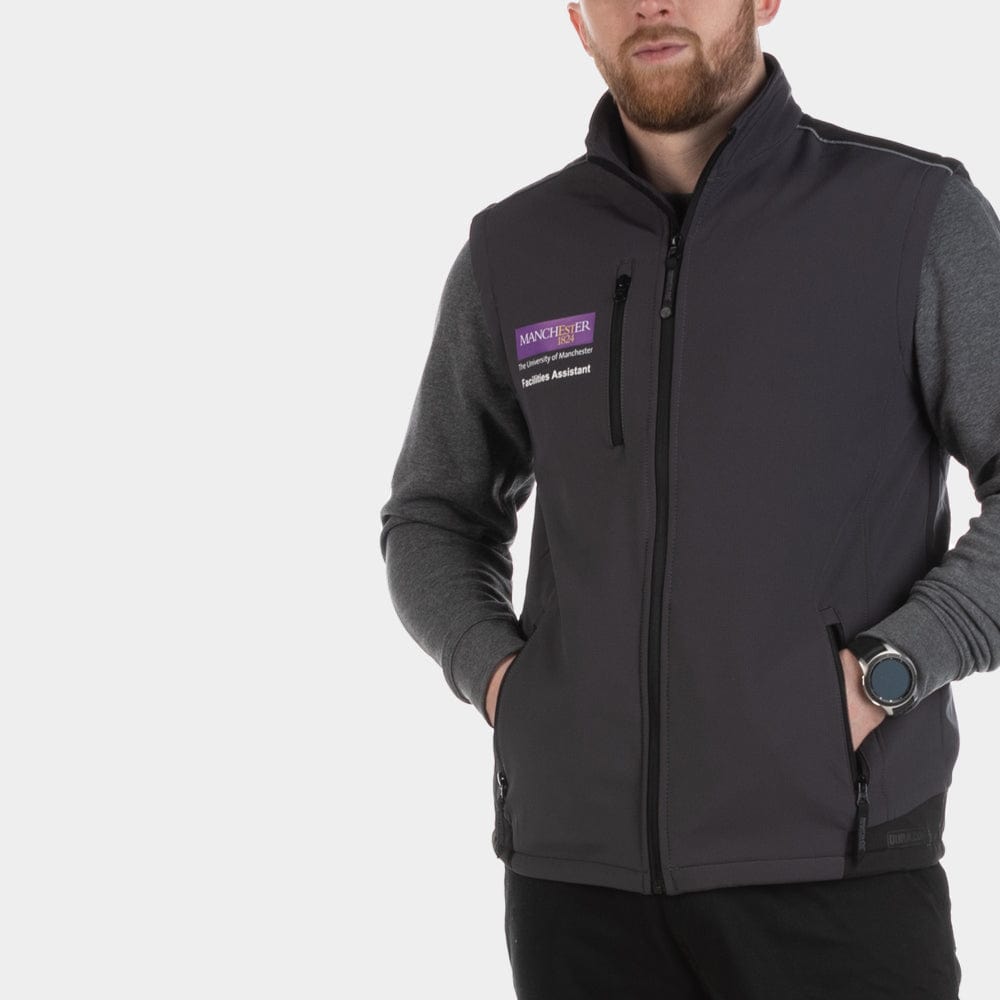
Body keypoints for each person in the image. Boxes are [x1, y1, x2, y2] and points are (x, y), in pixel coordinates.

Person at [379, 1, 1000, 996]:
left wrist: (890, 673)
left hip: (835, 871)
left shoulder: (911, 217)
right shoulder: (516, 249)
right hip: (575, 889)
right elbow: (433, 514)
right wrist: (506, 685)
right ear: (577, 19)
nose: (652, 4)